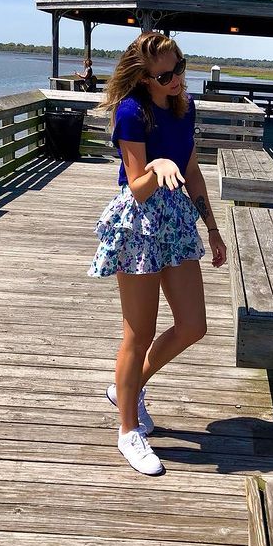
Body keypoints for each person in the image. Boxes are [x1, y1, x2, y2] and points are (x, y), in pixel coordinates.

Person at [87, 31, 227, 475]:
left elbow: (192, 171)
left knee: (193, 325)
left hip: (177, 221)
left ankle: (127, 388)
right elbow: (137, 187)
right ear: (144, 78)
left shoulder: (185, 108)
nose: (176, 79)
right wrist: (155, 164)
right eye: (165, 76)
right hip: (140, 225)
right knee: (139, 332)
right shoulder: (132, 112)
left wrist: (213, 229)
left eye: (179, 68)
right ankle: (128, 430)